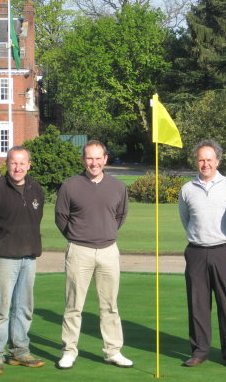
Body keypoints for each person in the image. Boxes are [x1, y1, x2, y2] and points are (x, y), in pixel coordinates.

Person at [55, 140, 132, 370]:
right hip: (79, 251)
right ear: (83, 160)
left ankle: (113, 351)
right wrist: (78, 235)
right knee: (73, 305)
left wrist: (105, 233)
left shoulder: (118, 186)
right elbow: (61, 217)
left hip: (109, 251)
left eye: (98, 158)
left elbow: (121, 215)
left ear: (105, 159)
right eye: (90, 158)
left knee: (109, 306)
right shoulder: (70, 185)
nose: (94, 163)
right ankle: (69, 351)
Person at [0, 146, 45, 375]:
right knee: (0, 309)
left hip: (28, 258)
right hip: (3, 258)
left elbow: (36, 220)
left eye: (22, 163)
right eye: (14, 162)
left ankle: (20, 351)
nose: (18, 167)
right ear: (7, 163)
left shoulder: (36, 189)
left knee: (24, 308)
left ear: (29, 165)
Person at [178, 140, 226, 369]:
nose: (205, 164)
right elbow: (186, 220)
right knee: (197, 304)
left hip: (223, 251)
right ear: (196, 162)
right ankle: (199, 350)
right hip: (196, 252)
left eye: (209, 159)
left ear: (218, 160)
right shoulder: (187, 189)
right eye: (201, 159)